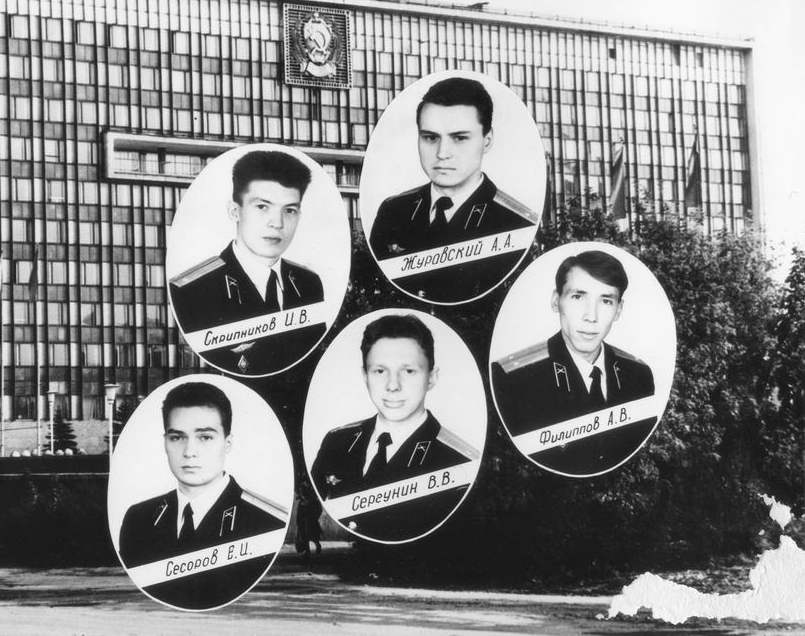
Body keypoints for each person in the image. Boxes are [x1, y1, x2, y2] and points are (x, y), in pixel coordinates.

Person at [368, 77, 538, 302]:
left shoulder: (517, 223)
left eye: (459, 138)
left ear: (487, 141)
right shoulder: (393, 211)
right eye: (430, 137)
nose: (442, 153)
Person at [309, 314, 478, 541]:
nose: (393, 386)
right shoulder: (337, 442)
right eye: (380, 371)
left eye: (409, 371)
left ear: (431, 378)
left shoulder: (459, 460)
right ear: (365, 376)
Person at [118, 382, 288, 609]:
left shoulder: (267, 521)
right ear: (165, 443)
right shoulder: (139, 519)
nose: (189, 452)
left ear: (227, 443)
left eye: (205, 437)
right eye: (177, 437)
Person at [491, 250, 656, 475]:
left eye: (606, 301)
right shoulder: (513, 378)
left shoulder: (638, 374)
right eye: (578, 297)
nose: (591, 316)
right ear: (556, 301)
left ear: (618, 310)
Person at [169, 150, 325, 374]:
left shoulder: (308, 283)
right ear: (235, 211)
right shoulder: (193, 289)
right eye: (262, 207)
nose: (277, 223)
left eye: (289, 210)